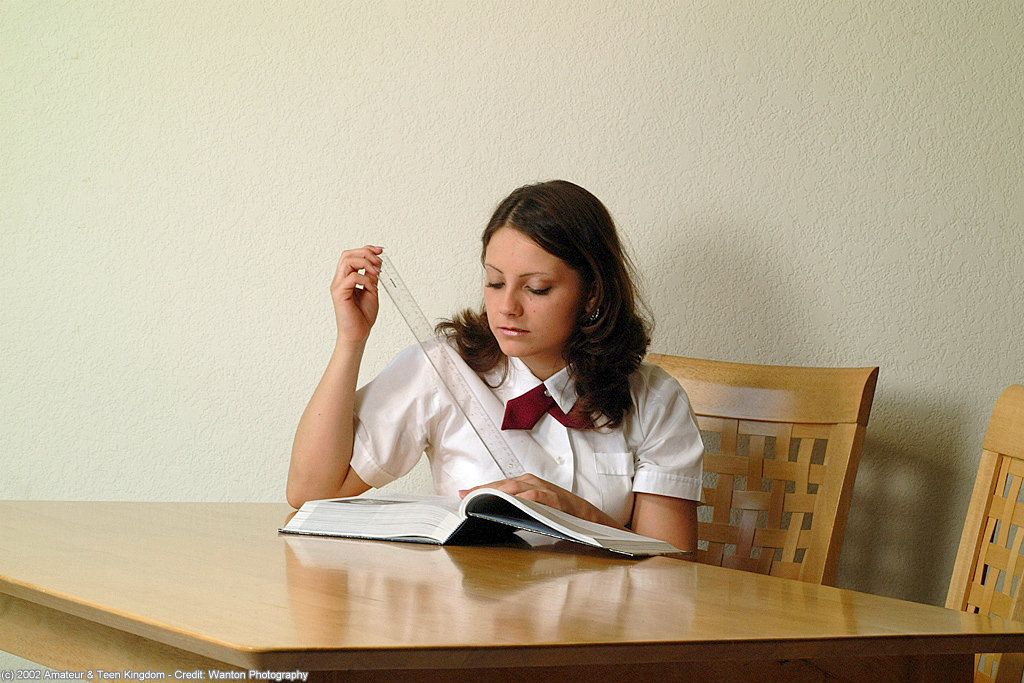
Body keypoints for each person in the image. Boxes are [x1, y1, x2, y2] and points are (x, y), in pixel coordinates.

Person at [287, 180, 703, 551]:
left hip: (600, 615)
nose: (507, 307)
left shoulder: (653, 398)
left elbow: (674, 570)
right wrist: (351, 341)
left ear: (592, 293)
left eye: (536, 288)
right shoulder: (443, 369)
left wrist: (576, 513)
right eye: (495, 282)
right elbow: (310, 491)